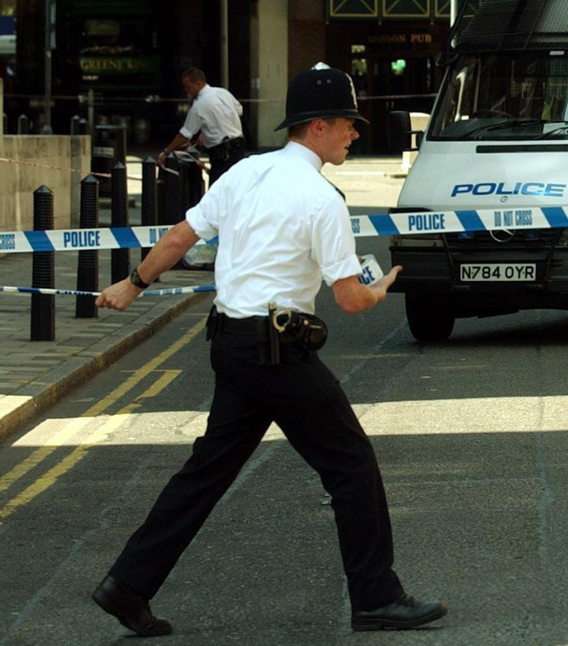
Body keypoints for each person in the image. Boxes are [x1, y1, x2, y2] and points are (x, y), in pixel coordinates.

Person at [90, 63, 447, 637]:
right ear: (318, 127)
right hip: (279, 354)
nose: (356, 134)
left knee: (205, 473)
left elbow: (181, 236)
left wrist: (132, 285)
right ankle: (377, 597)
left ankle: (127, 587)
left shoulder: (247, 172)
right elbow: (350, 301)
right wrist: (379, 290)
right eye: (348, 124)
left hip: (231, 342)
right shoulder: (322, 199)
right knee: (351, 465)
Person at [159, 67, 246, 184]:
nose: (186, 90)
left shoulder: (199, 106)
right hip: (239, 149)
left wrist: (166, 151)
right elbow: (239, 111)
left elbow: (184, 135)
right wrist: (206, 131)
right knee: (236, 189)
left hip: (222, 156)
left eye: (188, 86)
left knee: (217, 195)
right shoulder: (223, 93)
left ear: (198, 84)